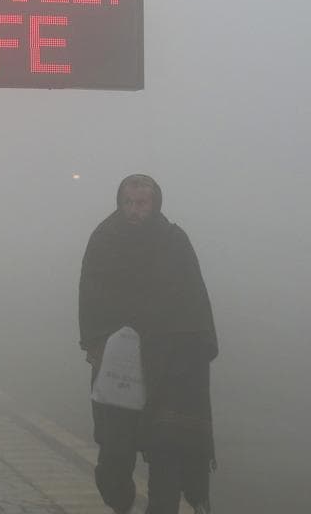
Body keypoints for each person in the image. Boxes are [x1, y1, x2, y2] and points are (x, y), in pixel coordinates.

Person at [80, 174, 218, 514]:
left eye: (141, 203)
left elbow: (195, 300)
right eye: (128, 202)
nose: (134, 210)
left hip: (170, 365)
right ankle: (120, 503)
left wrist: (194, 348)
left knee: (167, 447)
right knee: (115, 451)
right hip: (119, 366)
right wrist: (98, 344)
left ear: (155, 204)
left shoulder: (173, 241)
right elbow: (90, 299)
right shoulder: (104, 240)